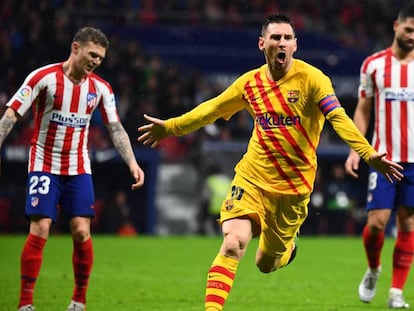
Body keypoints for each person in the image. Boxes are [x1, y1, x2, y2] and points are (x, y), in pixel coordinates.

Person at [138, 13, 404, 310]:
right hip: (252, 177)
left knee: (266, 263)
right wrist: (171, 127)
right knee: (233, 242)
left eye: (287, 38)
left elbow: (337, 118)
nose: (282, 43)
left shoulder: (313, 79)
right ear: (262, 43)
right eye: (275, 37)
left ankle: (286, 249)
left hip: (293, 189)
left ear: (295, 45)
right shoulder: (249, 83)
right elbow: (211, 110)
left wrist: (367, 153)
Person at [0, 27, 145, 311]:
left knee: (81, 231)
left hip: (79, 167)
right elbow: (11, 114)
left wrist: (132, 162)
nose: (96, 61)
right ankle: (25, 303)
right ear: (75, 47)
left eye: (101, 58)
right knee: (41, 227)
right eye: (92, 55)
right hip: (43, 163)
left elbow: (115, 128)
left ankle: (79, 301)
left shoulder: (101, 88)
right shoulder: (42, 78)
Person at [344, 3, 414, 309]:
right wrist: (355, 148)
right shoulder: (373, 65)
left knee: (409, 225)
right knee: (376, 223)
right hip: (383, 158)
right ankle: (373, 269)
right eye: (409, 29)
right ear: (396, 27)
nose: (413, 36)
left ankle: (396, 292)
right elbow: (363, 108)